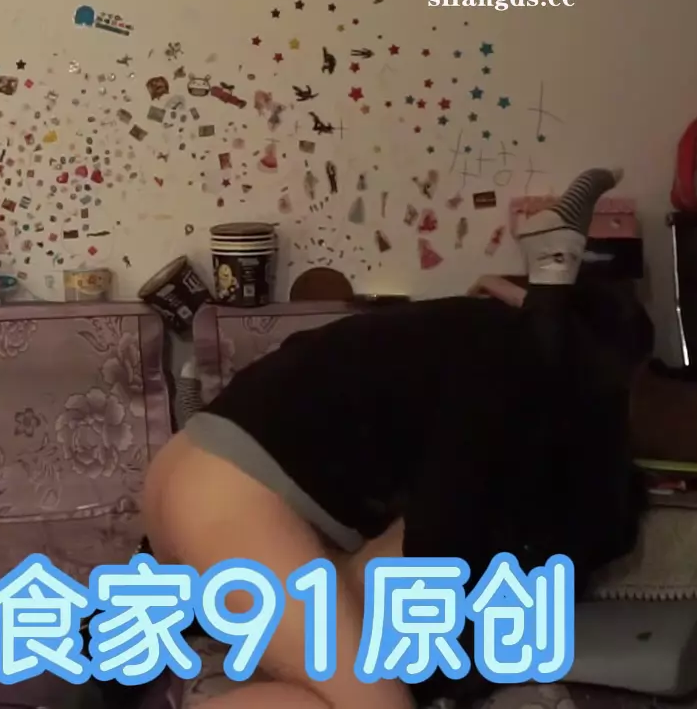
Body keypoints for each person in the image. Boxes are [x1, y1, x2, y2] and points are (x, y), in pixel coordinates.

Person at [142, 169, 648, 709]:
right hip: (228, 500)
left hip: (185, 479)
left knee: (342, 662)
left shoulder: (451, 330)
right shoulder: (505, 371)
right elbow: (441, 543)